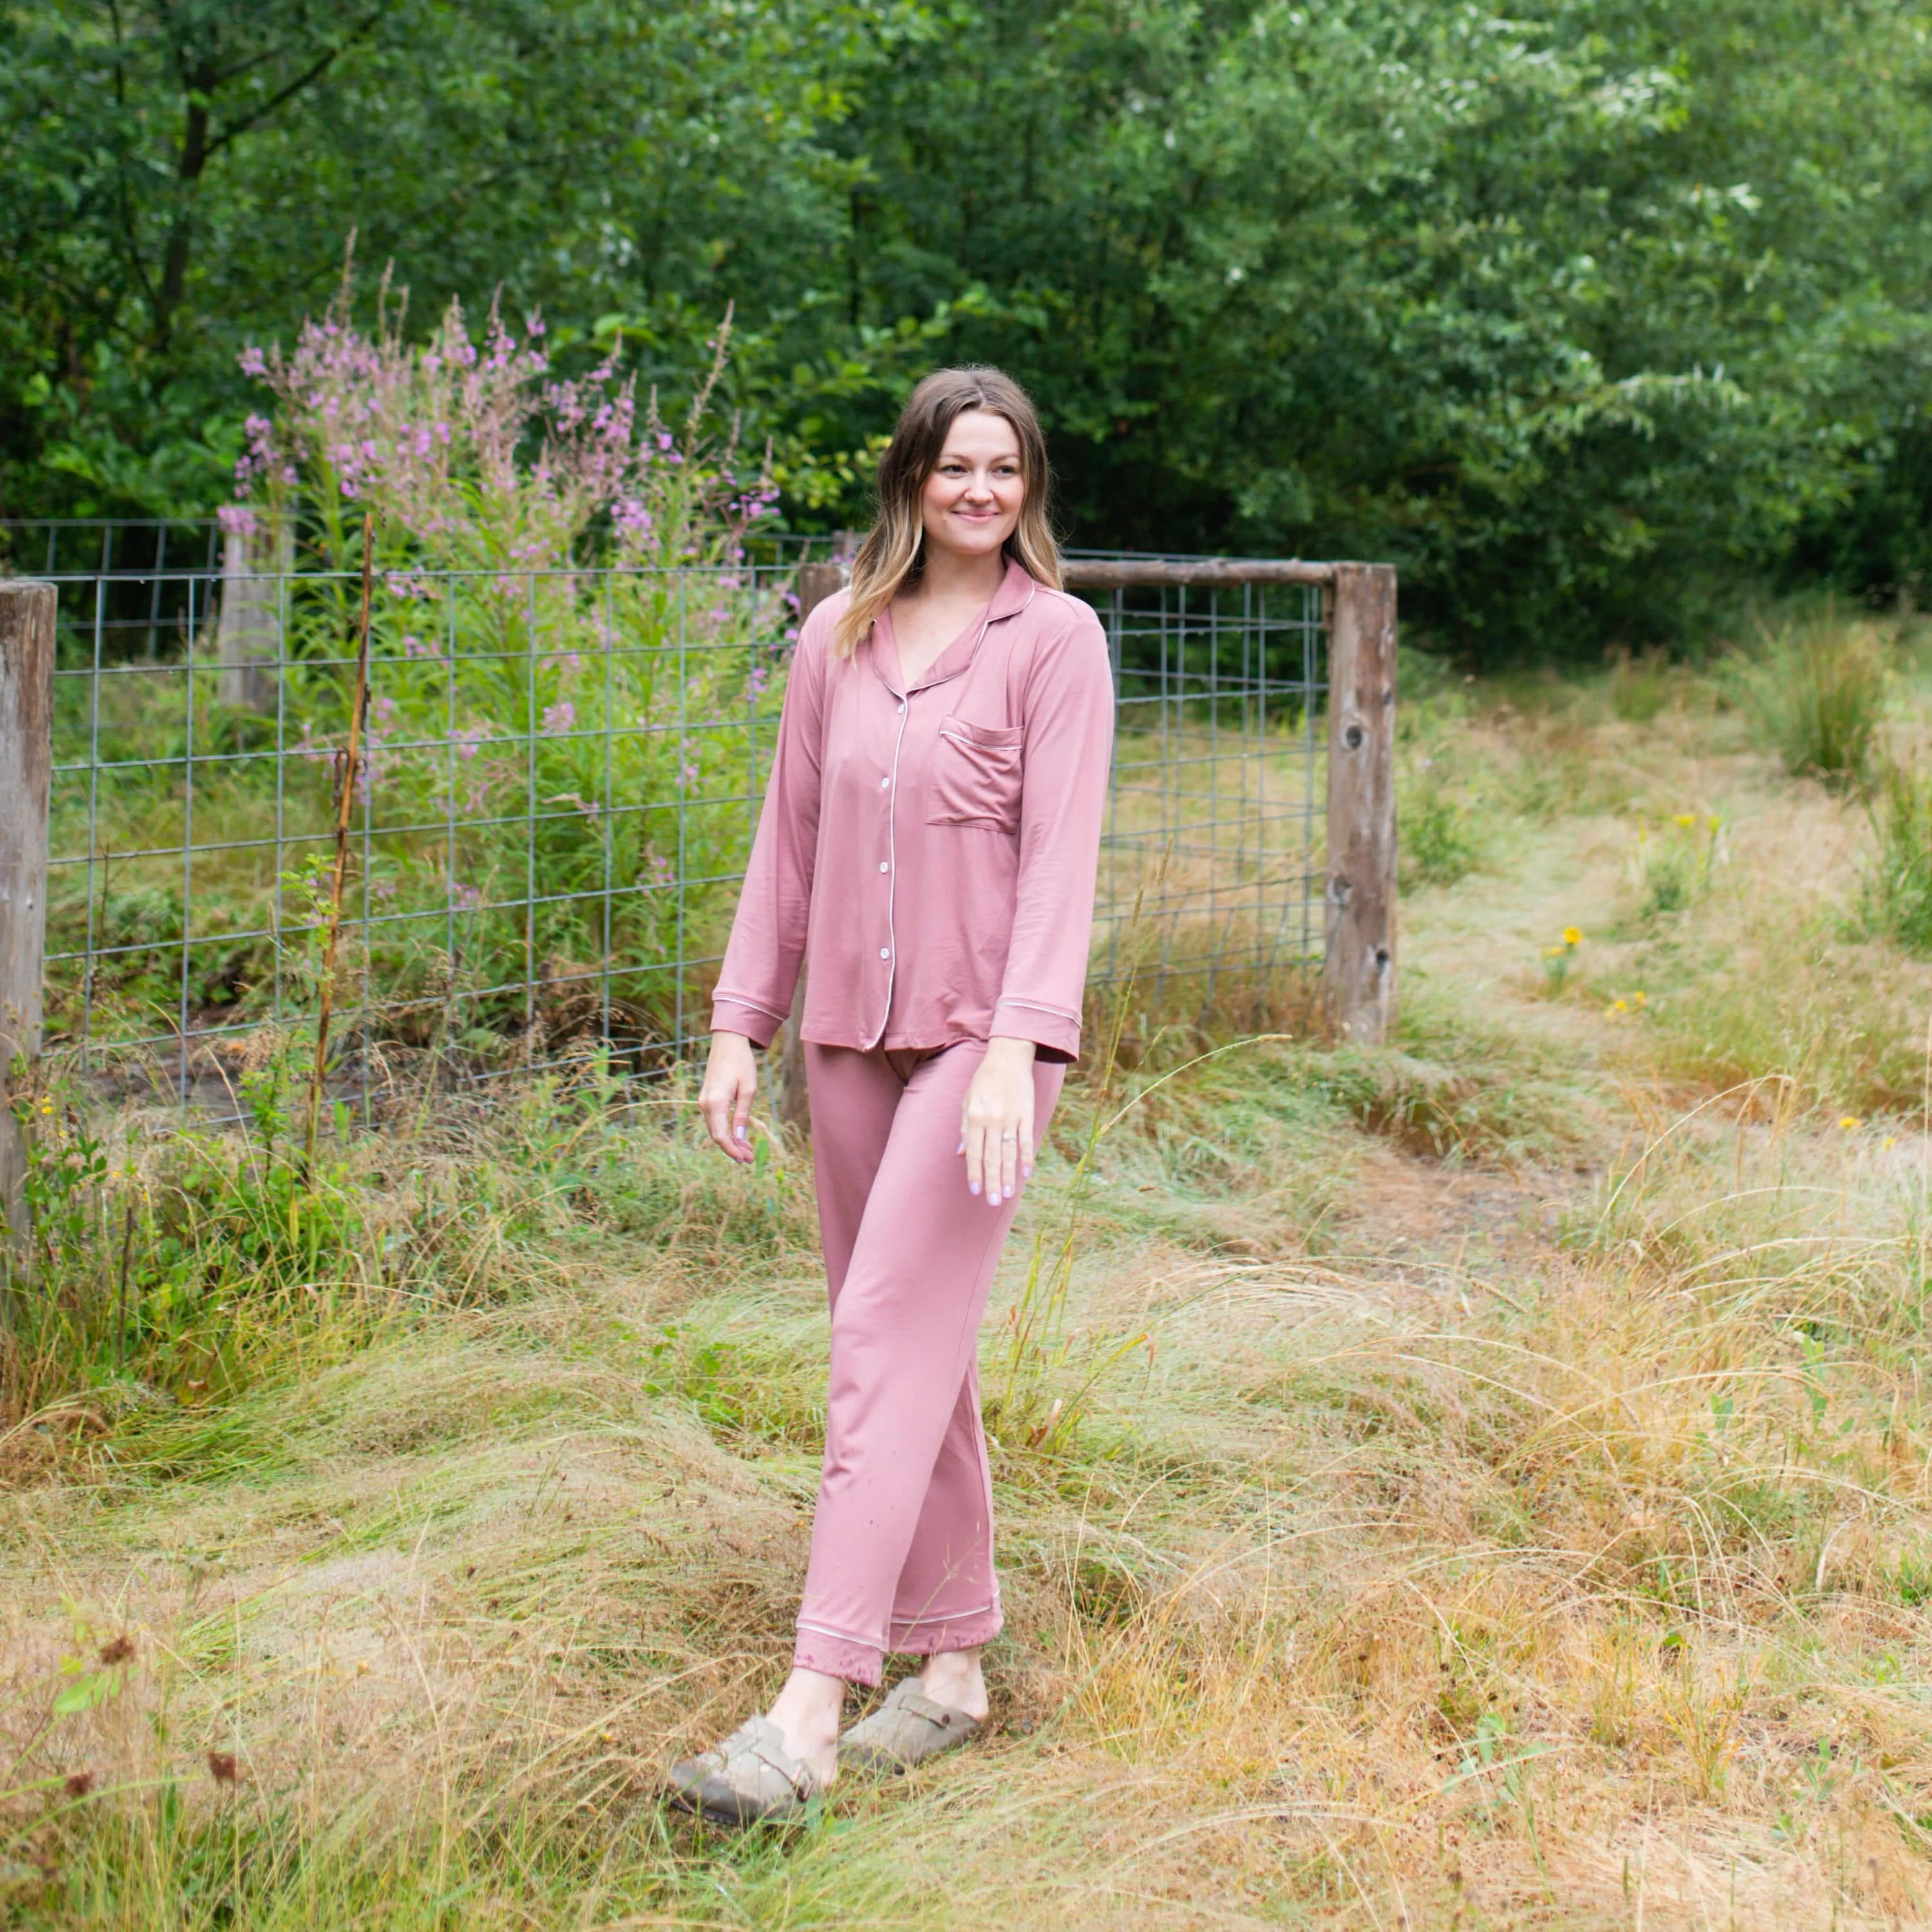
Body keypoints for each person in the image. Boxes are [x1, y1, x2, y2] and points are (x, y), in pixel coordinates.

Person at [668, 366, 1115, 1823]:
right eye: (953, 468)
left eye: (1004, 470)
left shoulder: (1058, 644)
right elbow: (785, 843)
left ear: (1029, 488)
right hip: (847, 1041)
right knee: (922, 1347)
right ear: (910, 480)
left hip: (984, 1058)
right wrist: (742, 1024)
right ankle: (957, 1674)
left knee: (876, 1332)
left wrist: (1015, 1049)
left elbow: (1061, 863)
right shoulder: (836, 638)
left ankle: (809, 1707)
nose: (979, 492)